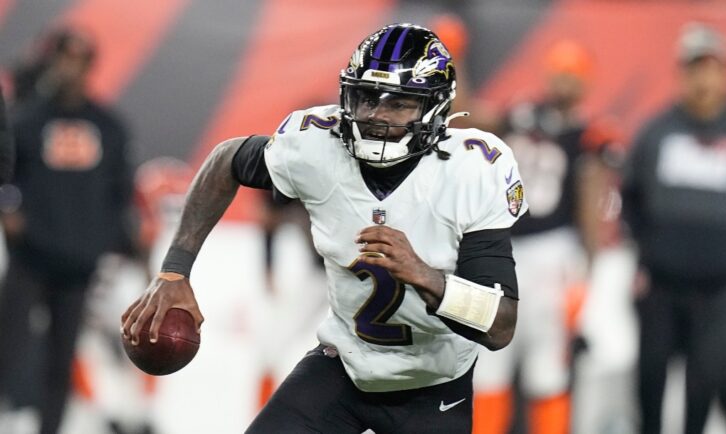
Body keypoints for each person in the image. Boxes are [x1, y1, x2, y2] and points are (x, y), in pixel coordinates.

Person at [122, 23, 528, 433]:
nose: (377, 118)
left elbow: (500, 325)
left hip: (434, 386)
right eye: (367, 98)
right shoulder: (317, 144)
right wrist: (175, 269)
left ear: (435, 109)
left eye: (399, 103)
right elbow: (227, 159)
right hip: (343, 368)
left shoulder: (473, 169)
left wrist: (426, 278)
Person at [621, 23, 726, 434]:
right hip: (661, 283)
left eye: (712, 68)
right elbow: (629, 195)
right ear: (682, 74)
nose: (703, 79)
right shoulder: (656, 131)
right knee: (651, 372)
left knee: (704, 377)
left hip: (718, 289)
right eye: (694, 68)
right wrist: (647, 249)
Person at [472, 38, 616, 434]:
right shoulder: (520, 114)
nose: (564, 81)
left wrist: (588, 274)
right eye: (560, 71)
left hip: (553, 255)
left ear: (585, 82)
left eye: (573, 74)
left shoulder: (590, 136)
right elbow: (469, 120)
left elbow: (592, 204)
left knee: (548, 367)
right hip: (503, 246)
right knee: (489, 362)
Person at [0, 28, 135, 434]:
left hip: (79, 262)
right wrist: (9, 204)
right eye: (63, 59)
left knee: (61, 362)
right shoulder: (26, 119)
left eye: (78, 61)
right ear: (52, 61)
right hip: (30, 258)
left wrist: (112, 242)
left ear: (90, 67)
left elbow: (121, 192)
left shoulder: (109, 126)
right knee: (7, 351)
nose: (70, 69)